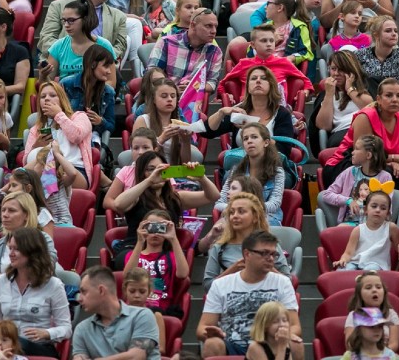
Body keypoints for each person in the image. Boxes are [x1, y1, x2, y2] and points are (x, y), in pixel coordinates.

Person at [197, 230, 300, 358]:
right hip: (232, 344)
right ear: (247, 254)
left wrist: (283, 336)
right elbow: (202, 327)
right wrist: (212, 333)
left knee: (296, 343)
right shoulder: (221, 284)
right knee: (212, 343)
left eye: (274, 254)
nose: (270, 258)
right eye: (264, 253)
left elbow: (295, 326)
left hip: (270, 344)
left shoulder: (283, 282)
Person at [112, 151, 219, 269]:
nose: (157, 173)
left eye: (161, 169)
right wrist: (149, 181)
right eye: (150, 169)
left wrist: (201, 177)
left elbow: (213, 196)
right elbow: (118, 204)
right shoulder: (136, 197)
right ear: (142, 173)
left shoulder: (176, 198)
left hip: (163, 252)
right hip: (135, 250)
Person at [0, 228, 72, 357]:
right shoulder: (1, 281)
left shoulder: (54, 285)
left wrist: (46, 333)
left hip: (39, 346)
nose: (11, 254)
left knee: (20, 344)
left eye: (16, 249)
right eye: (10, 249)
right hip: (5, 342)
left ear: (32, 252)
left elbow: (66, 328)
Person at [322, 78, 399, 190]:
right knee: (388, 172)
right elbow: (363, 156)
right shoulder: (366, 117)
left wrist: (398, 162)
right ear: (378, 99)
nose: (394, 100)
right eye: (389, 95)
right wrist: (394, 159)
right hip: (348, 164)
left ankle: (390, 206)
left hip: (379, 165)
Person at [202, 194, 291, 291]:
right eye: (231, 212)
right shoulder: (219, 247)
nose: (235, 216)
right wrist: (233, 270)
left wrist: (266, 266)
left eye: (241, 211)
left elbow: (288, 282)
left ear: (255, 217)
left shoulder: (270, 246)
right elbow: (208, 286)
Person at [39, 0, 128, 63]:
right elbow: (46, 39)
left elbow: (119, 48)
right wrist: (74, 57)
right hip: (63, 64)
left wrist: (100, 61)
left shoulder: (119, 16)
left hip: (99, 68)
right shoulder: (58, 7)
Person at [73, 265, 161, 360]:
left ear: (101, 290)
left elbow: (136, 356)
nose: (79, 299)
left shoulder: (143, 315)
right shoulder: (81, 329)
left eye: (84, 292)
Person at [210, 122, 286, 225]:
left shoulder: (277, 171)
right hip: (238, 216)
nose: (249, 141)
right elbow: (219, 203)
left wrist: (248, 209)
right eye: (245, 139)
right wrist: (240, 209)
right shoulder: (236, 170)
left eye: (254, 137)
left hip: (266, 217)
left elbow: (274, 204)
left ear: (266, 142)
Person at [0, 192, 59, 289]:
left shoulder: (43, 240)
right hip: (3, 296)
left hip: (37, 295)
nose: (5, 215)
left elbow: (47, 269)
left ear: (26, 215)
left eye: (11, 211)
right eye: (3, 210)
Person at [217, 24, 312, 103]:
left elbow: (306, 81)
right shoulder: (244, 63)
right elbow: (222, 83)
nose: (269, 44)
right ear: (253, 45)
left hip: (277, 108)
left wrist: (305, 91)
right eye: (264, 41)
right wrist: (226, 95)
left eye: (271, 41)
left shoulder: (284, 62)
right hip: (248, 109)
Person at [147, 7, 222, 93]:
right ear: (193, 25)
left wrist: (194, 86)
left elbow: (212, 84)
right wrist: (172, 90)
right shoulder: (166, 42)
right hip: (162, 97)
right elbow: (152, 73)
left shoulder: (215, 52)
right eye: (208, 26)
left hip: (192, 101)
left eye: (215, 27)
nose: (214, 31)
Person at [321, 135, 392, 224]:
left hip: (374, 225)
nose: (352, 152)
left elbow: (387, 205)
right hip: (350, 223)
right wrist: (348, 200)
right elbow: (327, 195)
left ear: (368, 155)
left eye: (357, 149)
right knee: (341, 230)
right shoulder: (349, 172)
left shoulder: (385, 177)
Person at [332, 190, 399, 270]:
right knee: (344, 270)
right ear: (366, 209)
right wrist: (343, 260)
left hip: (378, 264)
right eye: (374, 206)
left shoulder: (391, 227)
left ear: (387, 213)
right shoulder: (358, 230)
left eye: (383, 208)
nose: (378, 210)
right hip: (356, 262)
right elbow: (348, 253)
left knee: (370, 269)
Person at [44, 0, 116, 84]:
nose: (66, 25)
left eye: (71, 20)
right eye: (64, 20)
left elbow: (111, 82)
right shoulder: (58, 46)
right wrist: (42, 76)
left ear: (85, 19)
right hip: (66, 95)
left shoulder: (104, 45)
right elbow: (47, 83)